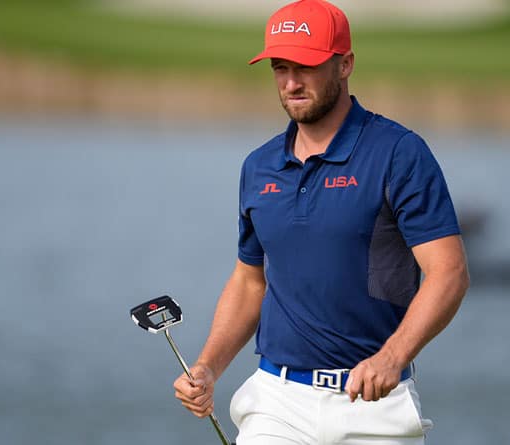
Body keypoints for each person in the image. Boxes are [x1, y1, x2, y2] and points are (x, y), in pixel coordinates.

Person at [173, 0, 470, 443]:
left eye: (306, 67)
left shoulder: (398, 153)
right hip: (277, 402)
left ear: (345, 64)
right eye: (280, 67)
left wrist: (392, 357)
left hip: (373, 407)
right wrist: (208, 366)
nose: (291, 82)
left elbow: (449, 273)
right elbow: (250, 281)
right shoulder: (259, 167)